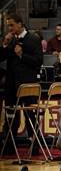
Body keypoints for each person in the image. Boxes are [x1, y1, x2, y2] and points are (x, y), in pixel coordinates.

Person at [0, 13, 43, 154]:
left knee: (31, 115)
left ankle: (34, 145)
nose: (9, 28)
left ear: (20, 24)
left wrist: (21, 55)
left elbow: (38, 62)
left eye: (11, 24)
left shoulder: (33, 39)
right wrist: (5, 44)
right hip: (11, 85)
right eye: (8, 25)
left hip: (27, 85)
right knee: (11, 116)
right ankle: (9, 145)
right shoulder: (11, 40)